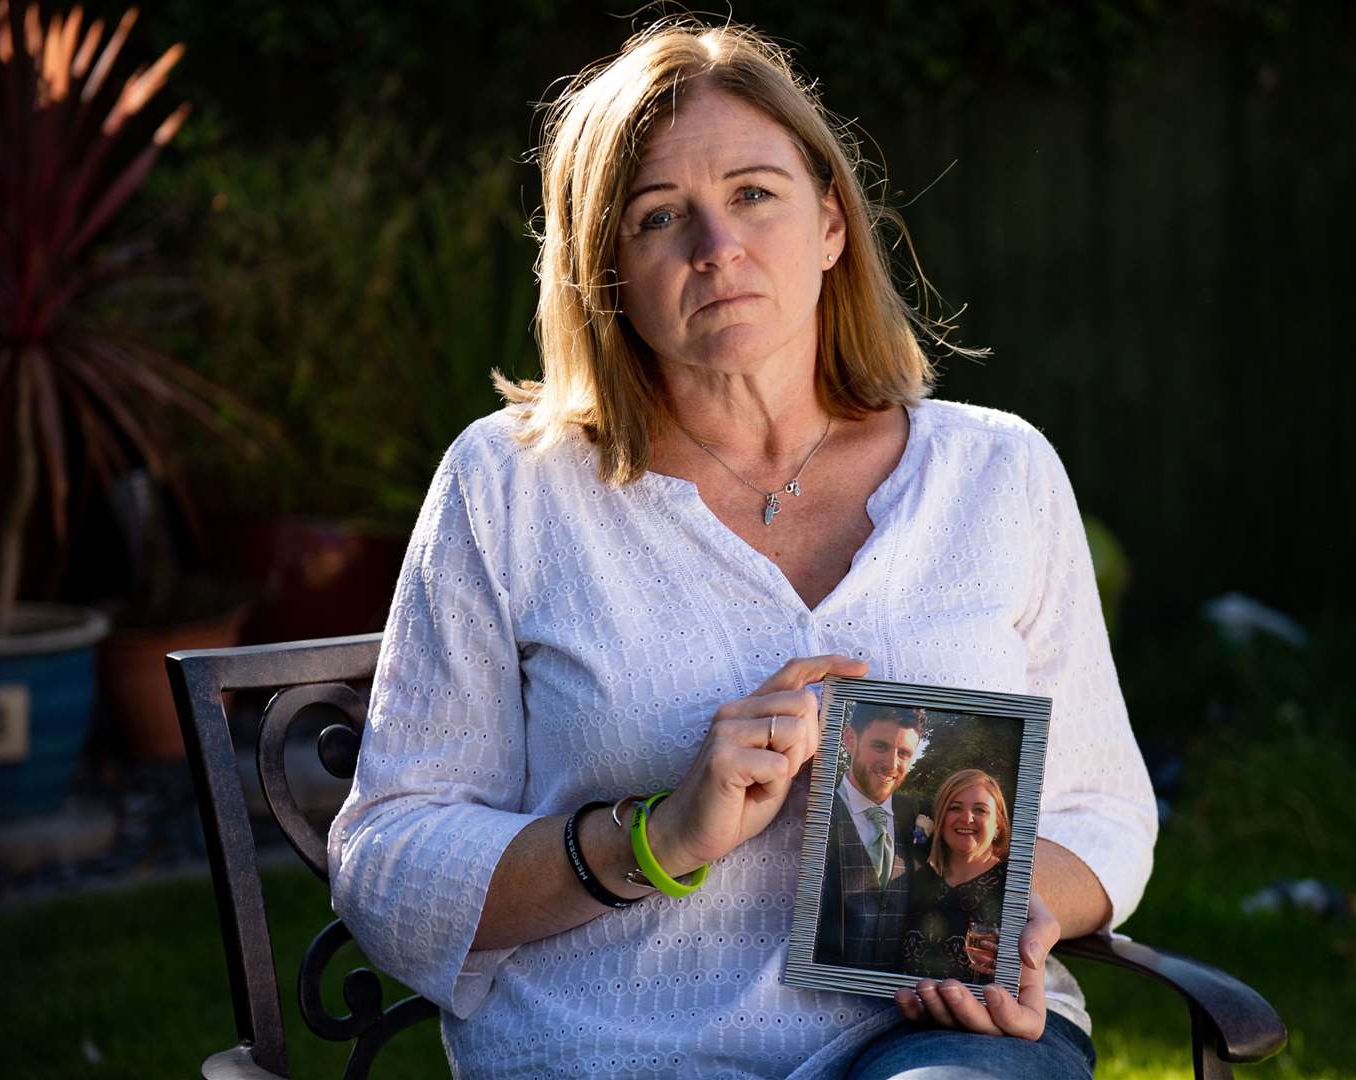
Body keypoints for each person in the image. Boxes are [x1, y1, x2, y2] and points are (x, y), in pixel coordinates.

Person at [327, 17, 1157, 1080]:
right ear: (606, 272)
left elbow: (1104, 808)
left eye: (754, 194)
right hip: (619, 1053)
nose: (717, 248)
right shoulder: (514, 489)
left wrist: (1016, 914)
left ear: (830, 224)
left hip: (942, 1036)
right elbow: (390, 858)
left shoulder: (998, 474)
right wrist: (656, 839)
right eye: (659, 216)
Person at [814, 708, 928, 970]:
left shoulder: (913, 814)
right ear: (850, 740)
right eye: (880, 746)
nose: (891, 763)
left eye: (904, 753)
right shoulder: (814, 809)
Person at [899, 769, 1012, 983]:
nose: (967, 818)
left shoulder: (1012, 884)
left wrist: (1013, 964)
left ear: (998, 824)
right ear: (941, 819)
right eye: (955, 808)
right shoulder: (919, 877)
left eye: (980, 810)